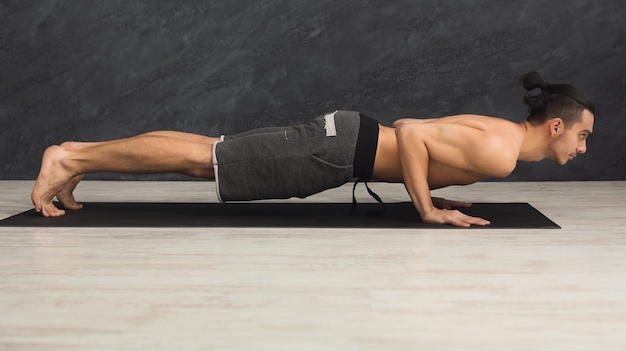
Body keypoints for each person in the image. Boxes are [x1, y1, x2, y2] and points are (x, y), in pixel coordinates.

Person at [31, 71, 595, 227]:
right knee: (207, 159)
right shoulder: (500, 150)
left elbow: (421, 142)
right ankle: (70, 158)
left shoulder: (501, 138)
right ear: (555, 128)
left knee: (212, 156)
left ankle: (80, 154)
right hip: (340, 150)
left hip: (345, 145)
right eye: (583, 135)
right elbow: (414, 132)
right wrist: (427, 209)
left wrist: (441, 192)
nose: (583, 147)